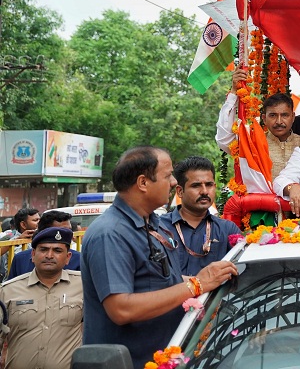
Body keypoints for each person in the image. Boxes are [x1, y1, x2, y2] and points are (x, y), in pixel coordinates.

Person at [81, 146, 239, 369]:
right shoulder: (111, 233)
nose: (174, 182)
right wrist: (196, 284)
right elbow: (121, 309)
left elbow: (161, 282)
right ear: (143, 183)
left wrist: (208, 279)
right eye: (168, 176)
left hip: (166, 357)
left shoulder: (153, 224)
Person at [0, 227, 82, 369]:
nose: (49, 255)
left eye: (57, 251)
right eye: (43, 249)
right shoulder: (8, 290)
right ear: (33, 254)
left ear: (68, 257)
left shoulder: (83, 286)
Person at [216, 69, 300, 180]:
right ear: (264, 118)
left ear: (293, 117)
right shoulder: (253, 144)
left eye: (285, 115)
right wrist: (234, 92)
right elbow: (224, 140)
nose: (279, 121)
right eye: (273, 115)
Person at [160, 156, 243, 276]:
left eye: (209, 185)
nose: (204, 191)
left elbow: (240, 271)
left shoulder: (228, 230)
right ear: (180, 191)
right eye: (196, 185)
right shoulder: (160, 227)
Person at [7, 210, 81, 280]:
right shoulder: (20, 259)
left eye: (69, 231)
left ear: (68, 257)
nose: (70, 235)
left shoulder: (78, 259)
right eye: (62, 231)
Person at [0, 208, 39, 279]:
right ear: (23, 225)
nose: (39, 223)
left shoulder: (35, 239)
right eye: (35, 220)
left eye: (39, 220)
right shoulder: (15, 243)